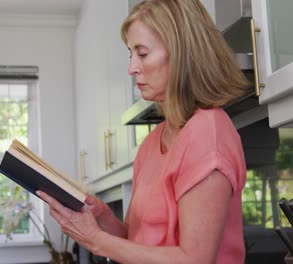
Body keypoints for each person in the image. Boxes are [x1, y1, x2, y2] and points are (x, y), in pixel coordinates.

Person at [38, 0, 249, 263]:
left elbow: (195, 259)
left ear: (182, 52)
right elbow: (139, 243)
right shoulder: (151, 143)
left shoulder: (209, 131)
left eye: (143, 53)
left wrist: (96, 240)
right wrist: (103, 218)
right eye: (130, 54)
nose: (131, 68)